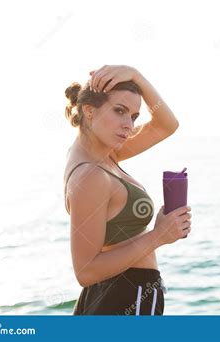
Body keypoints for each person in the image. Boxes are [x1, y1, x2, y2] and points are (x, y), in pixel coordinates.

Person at [63, 65, 192, 315]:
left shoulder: (104, 154)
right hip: (126, 297)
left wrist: (136, 75)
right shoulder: (90, 175)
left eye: (133, 116)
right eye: (119, 111)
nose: (129, 125)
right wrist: (160, 235)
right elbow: (85, 271)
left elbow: (166, 125)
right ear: (89, 110)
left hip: (112, 296)